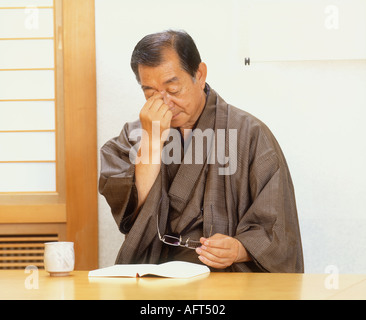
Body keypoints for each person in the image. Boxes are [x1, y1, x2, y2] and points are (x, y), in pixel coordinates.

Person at [99, 30, 304, 272]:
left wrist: (240, 248)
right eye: (150, 93)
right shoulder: (135, 137)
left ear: (200, 74)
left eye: (173, 90)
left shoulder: (250, 134)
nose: (164, 103)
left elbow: (278, 229)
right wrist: (152, 143)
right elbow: (131, 211)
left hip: (227, 279)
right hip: (156, 275)